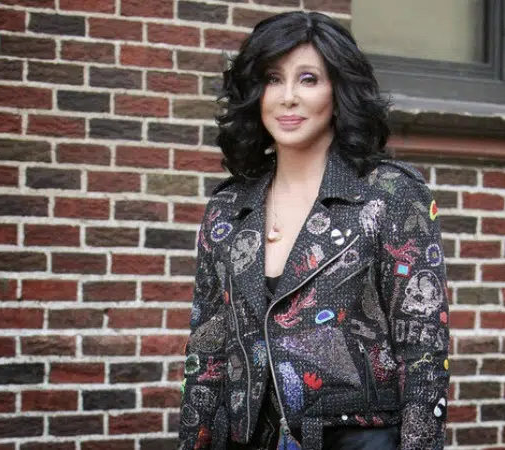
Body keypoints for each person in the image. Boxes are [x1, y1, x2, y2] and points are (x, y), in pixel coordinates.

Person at [178, 11, 449, 450]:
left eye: (308, 79)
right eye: (272, 79)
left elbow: (423, 354)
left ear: (338, 91)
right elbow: (205, 356)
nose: (288, 97)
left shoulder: (390, 194)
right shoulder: (227, 208)